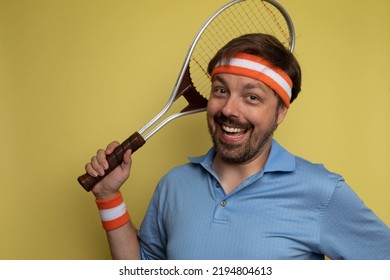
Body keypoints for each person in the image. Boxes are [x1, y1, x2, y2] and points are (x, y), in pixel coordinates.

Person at [84, 33, 390, 260]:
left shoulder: (321, 192)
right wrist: (108, 197)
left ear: (281, 112)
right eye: (221, 90)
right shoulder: (174, 185)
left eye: (252, 97)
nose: (229, 109)